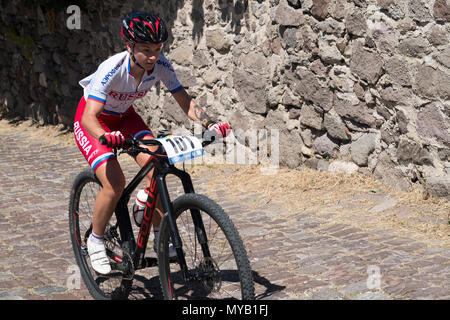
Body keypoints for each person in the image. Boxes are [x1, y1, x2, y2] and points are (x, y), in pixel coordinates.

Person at [73, 11, 231, 275]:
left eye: (158, 49)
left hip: (126, 119)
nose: (153, 56)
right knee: (114, 184)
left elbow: (184, 100)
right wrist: (104, 135)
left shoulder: (161, 65)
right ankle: (96, 240)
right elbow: (90, 116)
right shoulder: (112, 68)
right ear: (129, 47)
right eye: (146, 50)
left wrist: (209, 125)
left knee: (157, 162)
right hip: (93, 121)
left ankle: (159, 234)